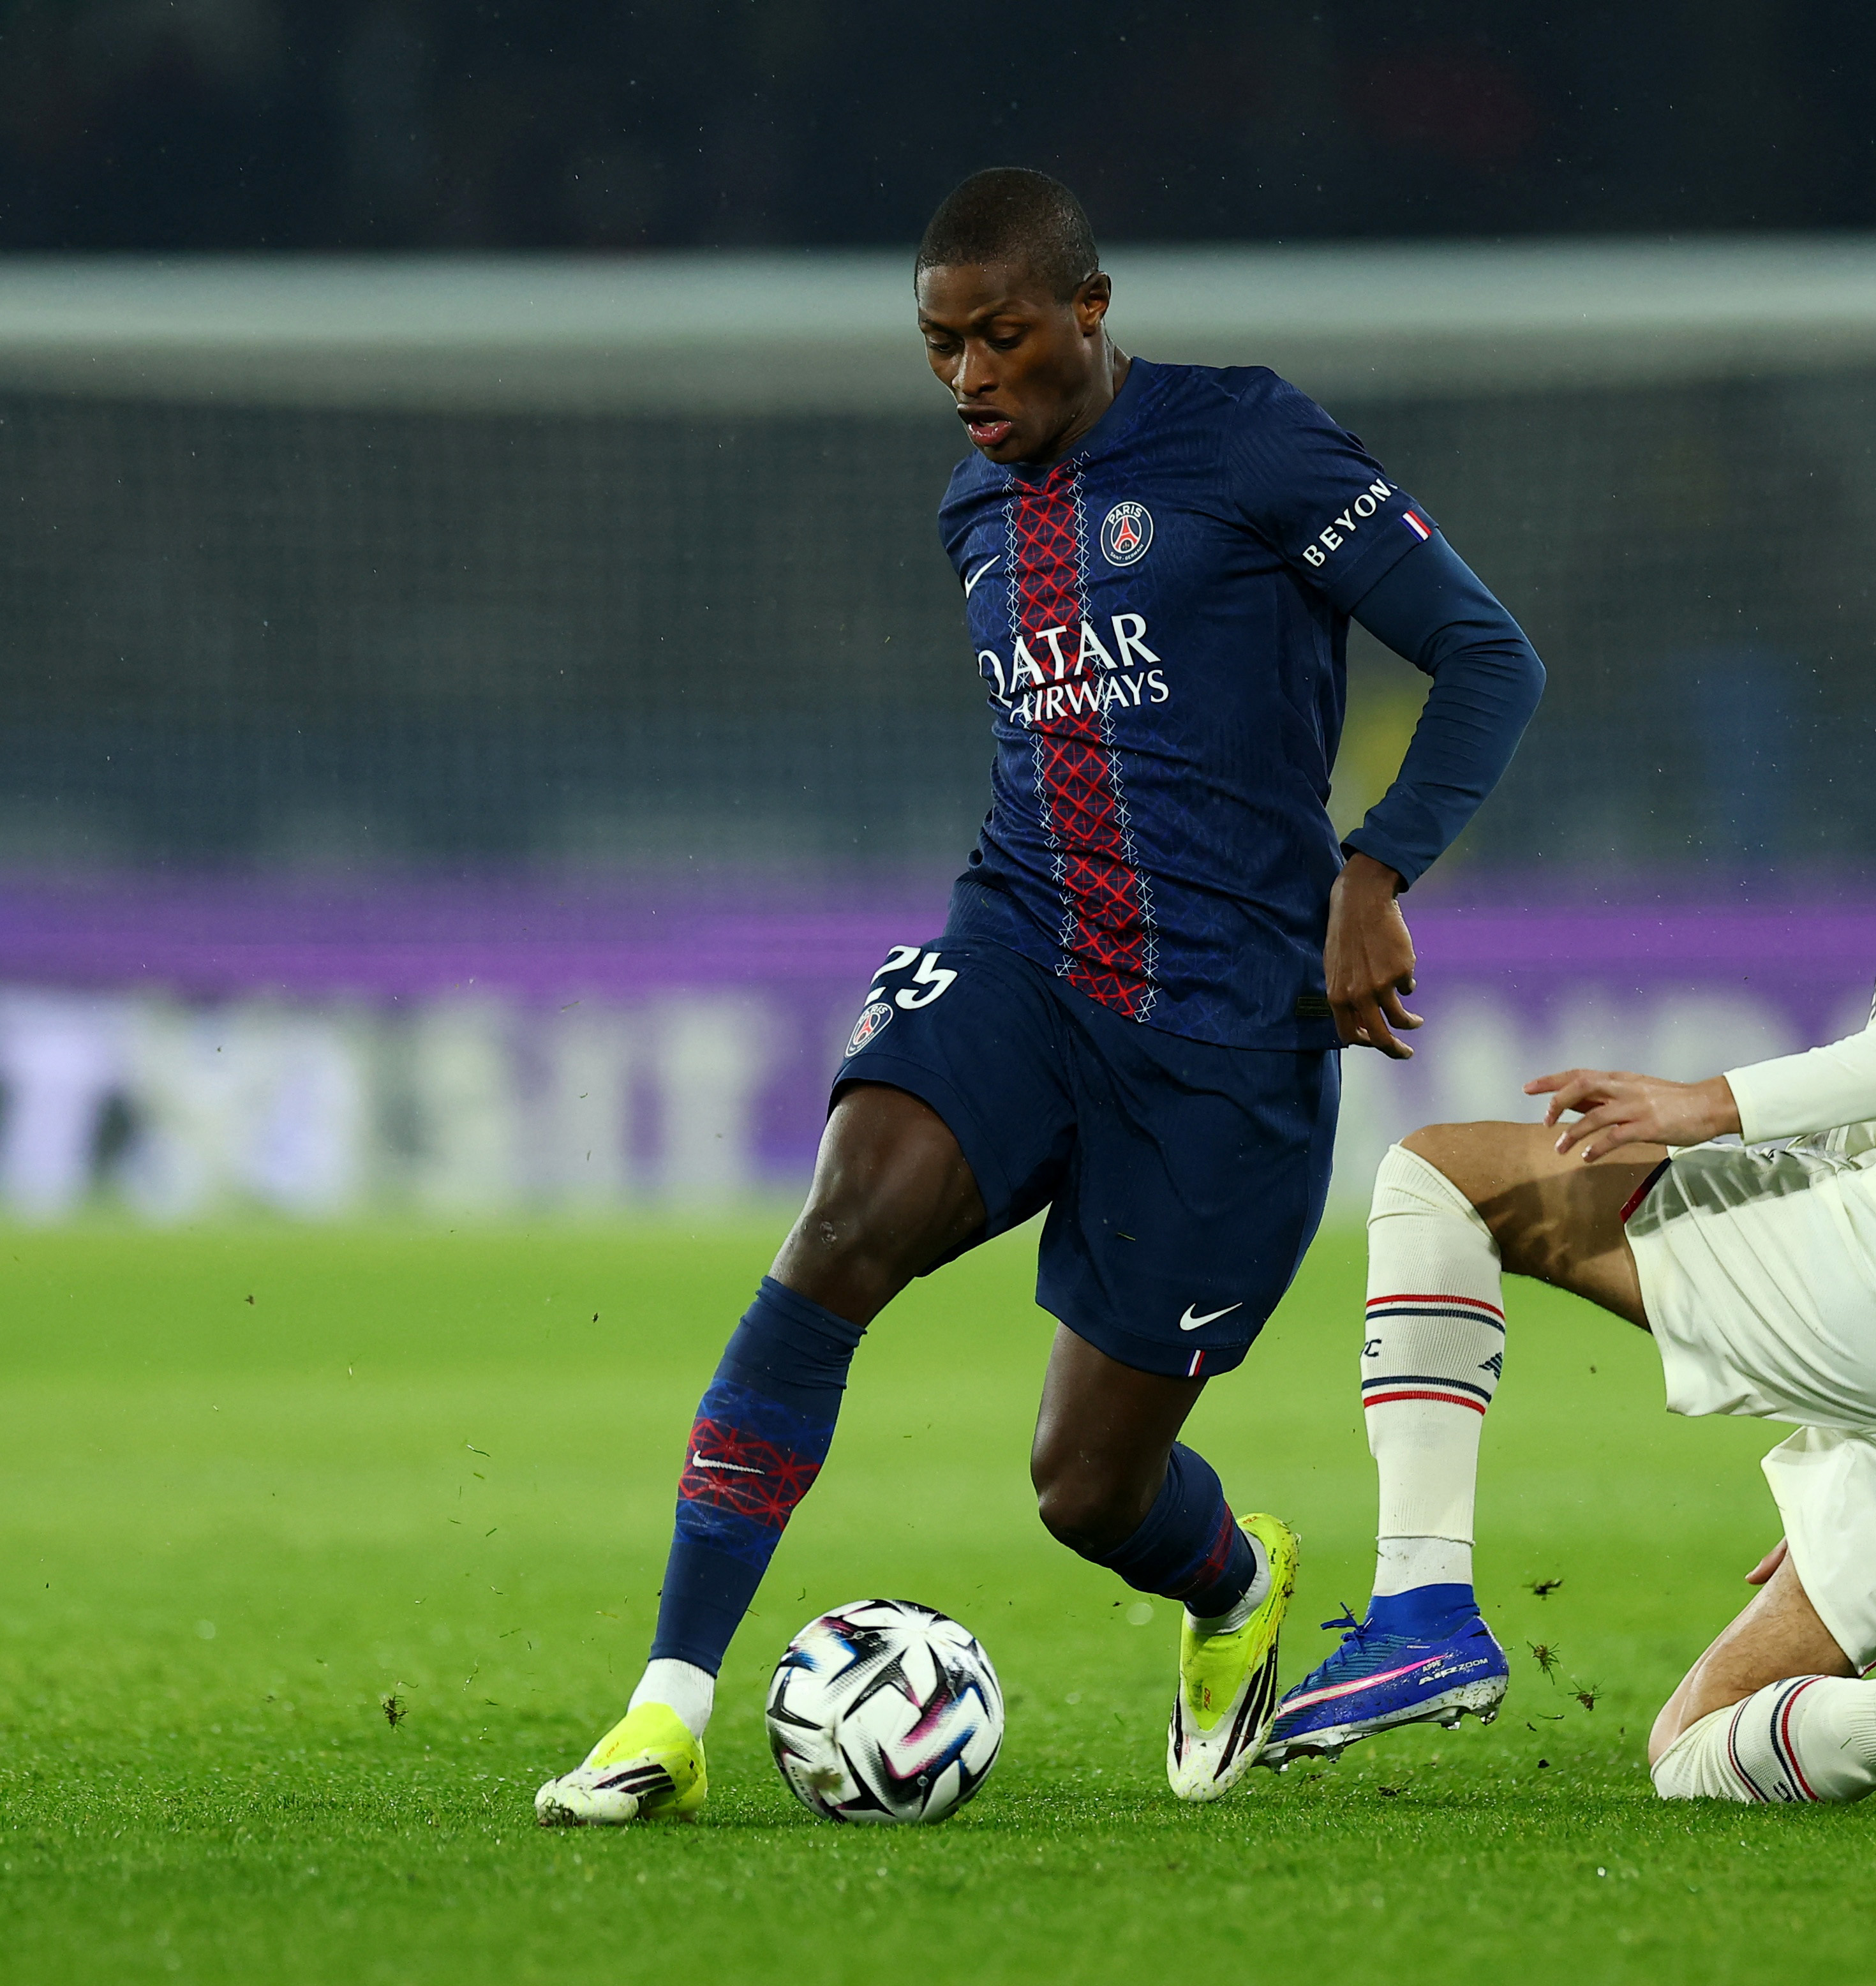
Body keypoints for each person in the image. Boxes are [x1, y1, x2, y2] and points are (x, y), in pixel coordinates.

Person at [536, 167, 1544, 1823]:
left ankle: (1233, 1585)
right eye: (940, 347)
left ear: (1089, 308)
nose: (970, 378)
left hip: (1228, 1039)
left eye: (1001, 337)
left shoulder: (1249, 442)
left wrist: (1376, 872)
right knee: (848, 1215)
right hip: (1022, 947)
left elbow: (1492, 653)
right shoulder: (971, 512)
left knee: (1086, 1486)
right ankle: (665, 1707)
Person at [1263, 552, 1876, 1814]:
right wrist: (1868, 1407)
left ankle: (1418, 1606)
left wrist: (1701, 1105)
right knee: (1696, 1746)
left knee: (1440, 1180)